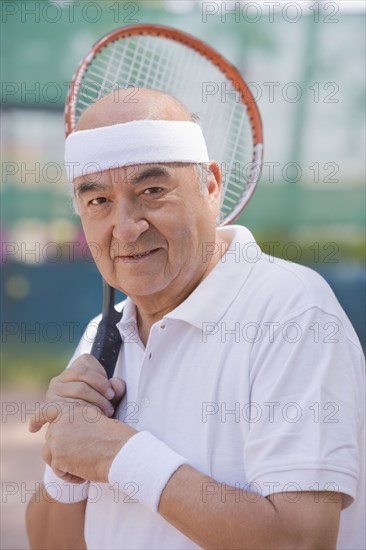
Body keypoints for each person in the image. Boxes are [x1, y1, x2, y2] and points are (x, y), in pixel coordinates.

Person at [26, 88, 365, 550]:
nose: (125, 227)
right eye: (98, 201)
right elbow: (53, 544)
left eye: (151, 190)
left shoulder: (292, 311)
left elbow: (301, 540)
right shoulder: (100, 335)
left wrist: (117, 454)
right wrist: (65, 460)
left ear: (210, 186)